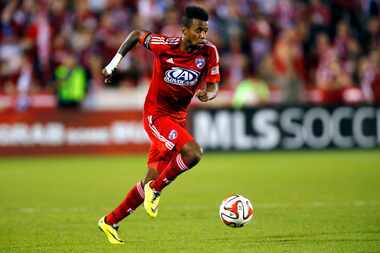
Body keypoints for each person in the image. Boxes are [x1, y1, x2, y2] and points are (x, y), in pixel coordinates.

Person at [97, 6, 220, 244]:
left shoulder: (209, 52)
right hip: (156, 116)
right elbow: (135, 35)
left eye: (205, 31)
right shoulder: (164, 44)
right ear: (185, 31)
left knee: (150, 177)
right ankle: (157, 189)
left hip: (178, 118)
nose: (203, 36)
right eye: (198, 31)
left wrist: (209, 94)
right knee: (193, 153)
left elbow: (214, 83)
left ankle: (110, 221)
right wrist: (113, 65)